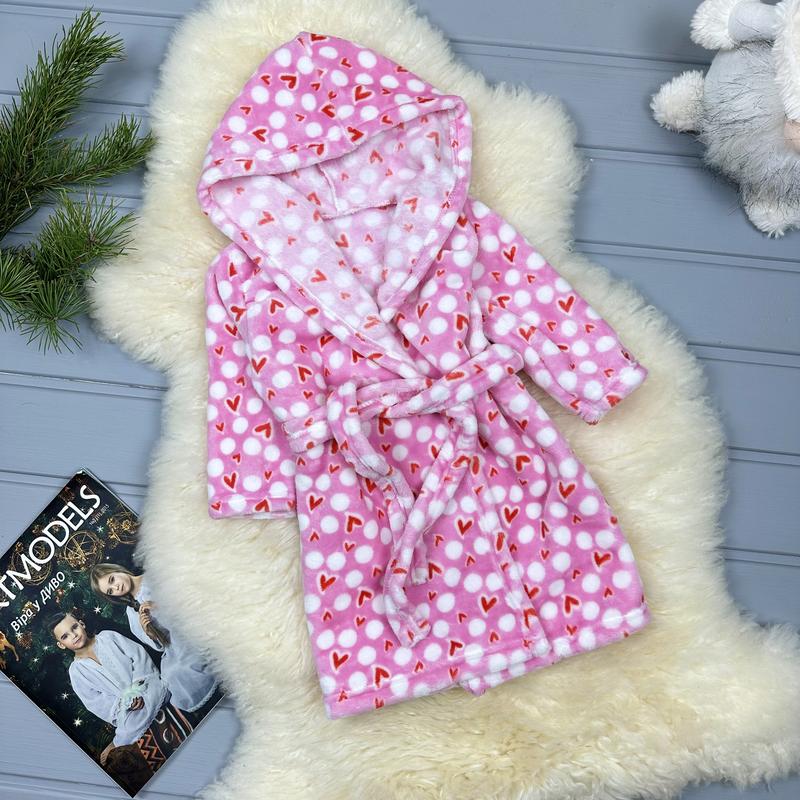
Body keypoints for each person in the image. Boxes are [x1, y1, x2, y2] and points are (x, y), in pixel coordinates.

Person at [49, 609, 192, 768]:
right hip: (128, 710)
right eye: (65, 636)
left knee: (157, 692)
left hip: (146, 687)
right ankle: (131, 730)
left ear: (81, 624)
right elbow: (95, 701)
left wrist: (138, 688)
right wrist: (126, 704)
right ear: (61, 645)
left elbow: (138, 656)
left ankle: (129, 732)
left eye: (74, 627)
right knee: (129, 725)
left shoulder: (108, 637)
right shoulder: (76, 672)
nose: (73, 635)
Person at [89, 564, 219, 712]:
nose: (116, 587)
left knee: (191, 660)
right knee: (171, 674)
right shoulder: (132, 613)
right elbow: (162, 645)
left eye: (112, 580)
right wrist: (150, 633)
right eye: (110, 591)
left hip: (189, 627)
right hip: (174, 646)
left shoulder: (154, 578)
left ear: (117, 570)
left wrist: (161, 607)